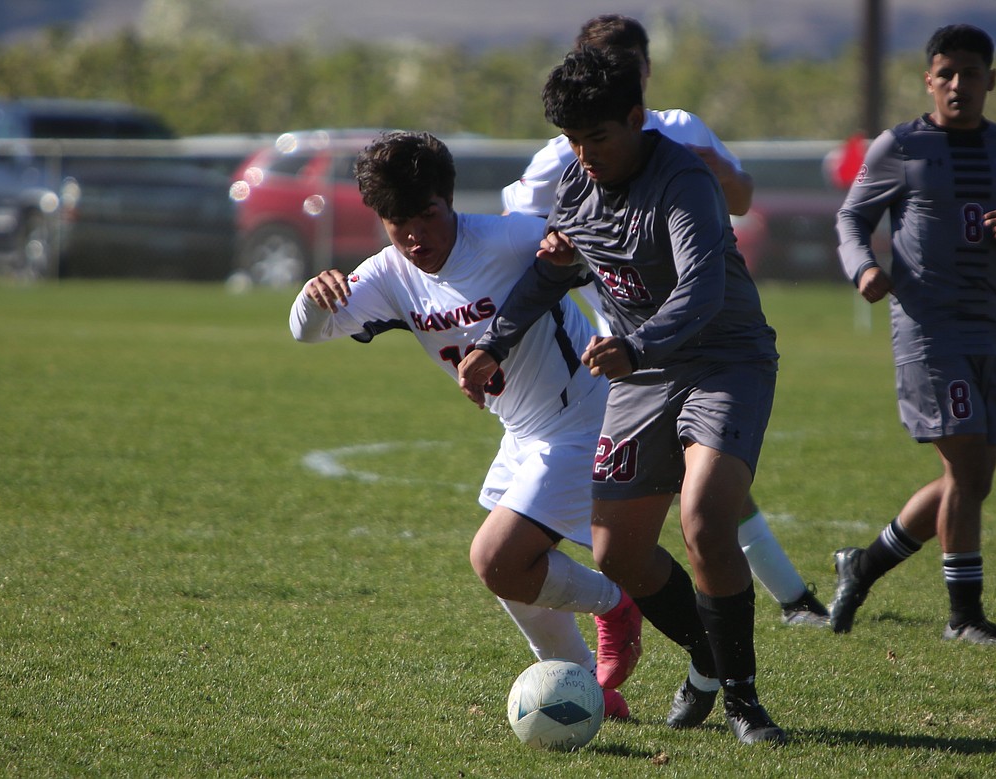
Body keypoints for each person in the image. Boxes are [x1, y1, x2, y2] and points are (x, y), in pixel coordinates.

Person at [460, 47, 787, 744]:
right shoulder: (577, 187)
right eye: (573, 141)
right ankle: (706, 653)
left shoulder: (684, 181)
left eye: (599, 138)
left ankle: (744, 700)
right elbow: (554, 273)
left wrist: (635, 345)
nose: (586, 154)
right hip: (640, 374)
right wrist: (494, 342)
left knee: (704, 519)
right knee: (617, 554)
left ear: (637, 118)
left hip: (724, 360)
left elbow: (704, 287)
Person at [288, 131, 643, 718]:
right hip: (523, 433)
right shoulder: (387, 274)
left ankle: (615, 605)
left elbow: (602, 257)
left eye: (426, 216)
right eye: (397, 223)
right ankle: (587, 691)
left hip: (585, 416)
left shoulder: (508, 238)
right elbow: (307, 331)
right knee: (513, 574)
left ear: (448, 201)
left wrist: (576, 258)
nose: (414, 237)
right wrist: (311, 296)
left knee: (496, 559)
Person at [502, 13, 829, 629]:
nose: (584, 150)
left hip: (695, 338)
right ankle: (733, 627)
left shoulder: (679, 134)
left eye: (636, 63)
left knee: (708, 501)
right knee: (640, 529)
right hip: (623, 360)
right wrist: (547, 253)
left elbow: (739, 199)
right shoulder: (565, 158)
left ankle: (769, 626)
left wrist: (710, 170)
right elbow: (525, 234)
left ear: (645, 73)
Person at [828, 24, 996, 645]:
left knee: (969, 481)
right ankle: (963, 616)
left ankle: (862, 565)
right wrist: (863, 266)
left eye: (970, 74)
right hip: (926, 329)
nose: (958, 85)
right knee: (967, 469)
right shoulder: (900, 146)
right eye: (945, 74)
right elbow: (850, 218)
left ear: (990, 80)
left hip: (986, 328)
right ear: (929, 80)